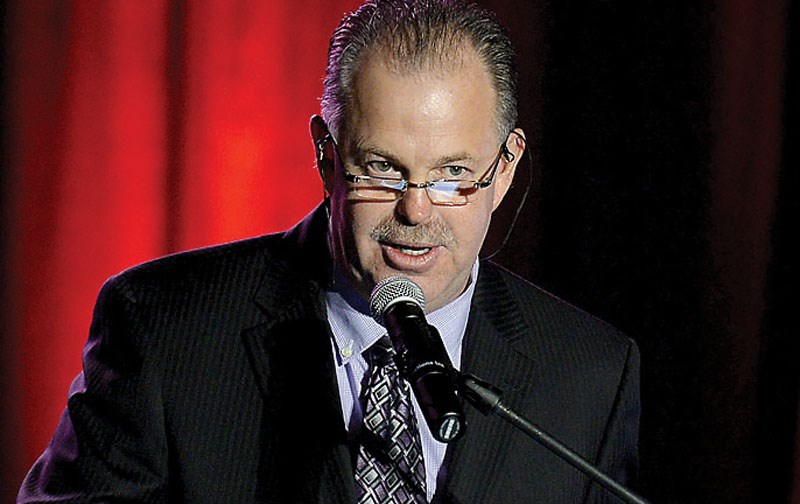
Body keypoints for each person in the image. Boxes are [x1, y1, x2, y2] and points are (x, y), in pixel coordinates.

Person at [18, 0, 640, 502]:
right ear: (325, 155)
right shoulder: (164, 330)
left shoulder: (590, 376)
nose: (416, 211)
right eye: (382, 169)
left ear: (504, 170)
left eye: (453, 175)